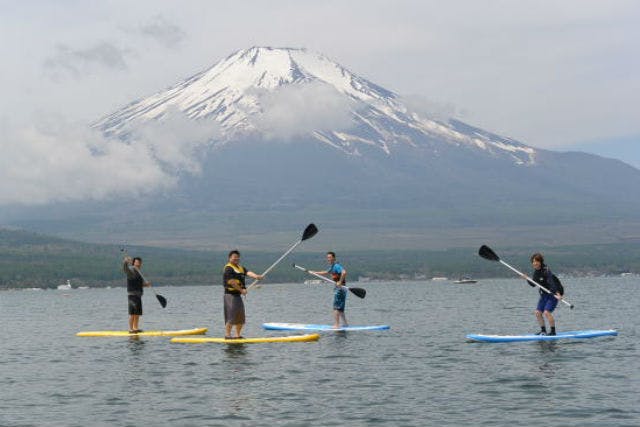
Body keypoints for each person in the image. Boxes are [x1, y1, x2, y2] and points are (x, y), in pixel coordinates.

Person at [222, 250, 263, 339]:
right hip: (230, 295)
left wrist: (256, 276)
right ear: (230, 258)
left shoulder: (240, 268)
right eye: (234, 257)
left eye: (238, 257)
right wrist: (241, 290)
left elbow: (248, 272)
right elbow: (232, 282)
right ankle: (228, 335)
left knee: (240, 316)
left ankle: (238, 335)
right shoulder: (228, 268)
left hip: (238, 295)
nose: (236, 258)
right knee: (231, 315)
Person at [524, 253, 562, 336]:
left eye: (537, 261)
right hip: (544, 295)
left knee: (546, 312)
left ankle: (553, 332)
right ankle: (543, 331)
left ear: (540, 262)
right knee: (537, 313)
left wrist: (558, 293)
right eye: (533, 261)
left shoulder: (546, 270)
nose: (535, 263)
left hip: (553, 294)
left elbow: (552, 283)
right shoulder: (536, 273)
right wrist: (527, 279)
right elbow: (533, 284)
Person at [311, 251, 348, 328]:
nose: (328, 259)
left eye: (330, 257)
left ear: (334, 258)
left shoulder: (337, 266)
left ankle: (336, 325)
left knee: (336, 307)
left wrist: (340, 282)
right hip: (342, 289)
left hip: (340, 289)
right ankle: (345, 324)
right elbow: (325, 272)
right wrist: (314, 272)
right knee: (340, 308)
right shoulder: (332, 267)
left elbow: (344, 272)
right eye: (327, 258)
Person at [123, 256, 151, 333]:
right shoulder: (131, 271)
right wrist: (125, 262)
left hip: (138, 295)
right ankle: (131, 329)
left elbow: (139, 284)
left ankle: (136, 328)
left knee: (137, 313)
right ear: (133, 263)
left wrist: (146, 285)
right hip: (132, 295)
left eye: (139, 262)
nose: (138, 263)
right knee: (133, 313)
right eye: (137, 262)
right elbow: (125, 269)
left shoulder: (139, 272)